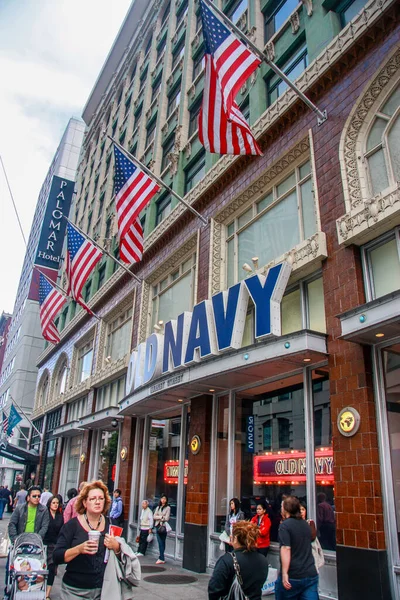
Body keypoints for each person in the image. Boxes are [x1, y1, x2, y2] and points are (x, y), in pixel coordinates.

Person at [54, 480, 121, 600]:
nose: (97, 502)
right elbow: (57, 556)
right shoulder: (72, 525)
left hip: (104, 590)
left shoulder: (111, 524)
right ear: (85, 502)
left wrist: (116, 547)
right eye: (93, 499)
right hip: (75, 590)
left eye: (101, 498)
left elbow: (122, 557)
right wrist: (79, 549)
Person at [208, 521, 269, 600]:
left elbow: (214, 589)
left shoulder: (227, 560)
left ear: (236, 538)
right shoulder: (263, 560)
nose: (230, 537)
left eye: (232, 535)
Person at [275, 496, 319, 600]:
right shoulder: (305, 524)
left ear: (286, 509)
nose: (281, 508)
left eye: (282, 506)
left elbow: (286, 548)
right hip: (310, 573)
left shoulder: (285, 526)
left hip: (293, 575)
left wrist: (285, 573)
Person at [44, 496, 64, 599]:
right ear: (49, 504)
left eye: (57, 503)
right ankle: (41, 589)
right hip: (45, 543)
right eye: (53, 503)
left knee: (51, 568)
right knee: (42, 568)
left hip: (54, 545)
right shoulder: (45, 514)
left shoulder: (60, 516)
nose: (55, 504)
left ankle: (47, 594)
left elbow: (62, 530)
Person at [153, 494, 170, 564]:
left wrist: (159, 517)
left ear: (166, 500)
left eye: (164, 499)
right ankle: (161, 557)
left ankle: (161, 558)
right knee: (160, 542)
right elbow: (154, 516)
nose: (163, 500)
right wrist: (161, 517)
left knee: (162, 542)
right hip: (157, 526)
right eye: (162, 498)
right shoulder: (158, 507)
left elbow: (167, 518)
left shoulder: (168, 508)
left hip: (163, 527)